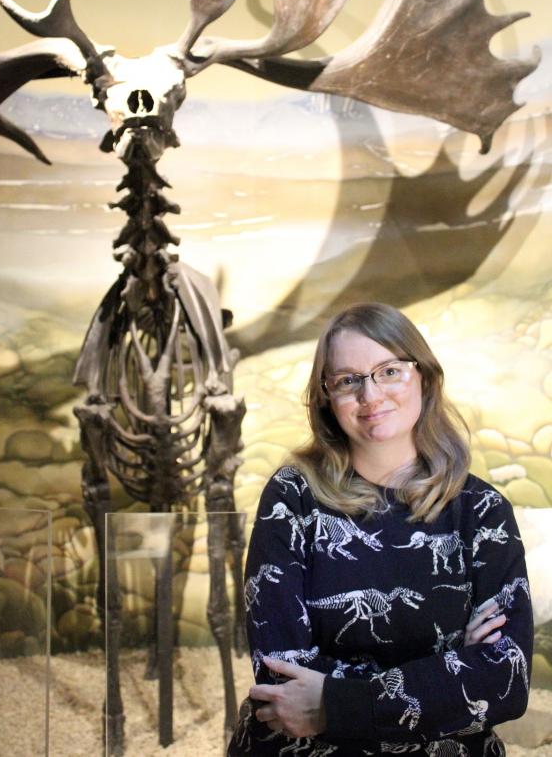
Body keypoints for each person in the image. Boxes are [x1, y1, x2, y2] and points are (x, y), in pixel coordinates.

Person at [228, 303, 532, 756]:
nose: (370, 396)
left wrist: (335, 702)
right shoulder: (293, 496)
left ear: (424, 377)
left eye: (389, 371)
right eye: (347, 380)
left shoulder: (482, 511)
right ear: (327, 397)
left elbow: (505, 680)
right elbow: (281, 678)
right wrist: (447, 671)